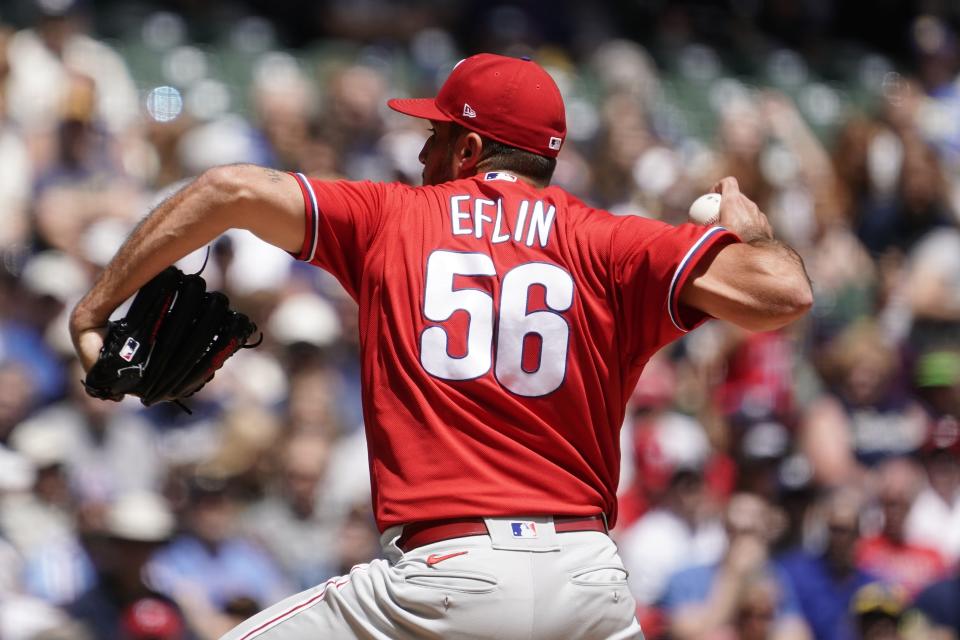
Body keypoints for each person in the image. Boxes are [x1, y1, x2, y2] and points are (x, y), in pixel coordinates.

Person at [70, 53, 812, 639]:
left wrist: (94, 308)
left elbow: (227, 188)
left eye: (434, 134)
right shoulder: (612, 243)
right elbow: (785, 293)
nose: (423, 151)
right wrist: (750, 231)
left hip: (444, 583)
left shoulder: (393, 218)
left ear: (470, 148)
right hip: (588, 587)